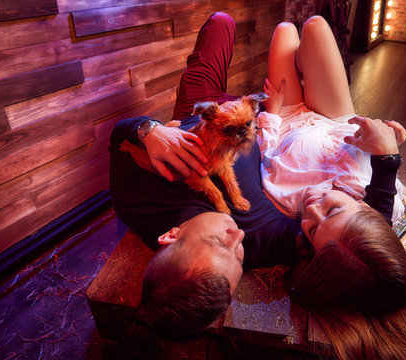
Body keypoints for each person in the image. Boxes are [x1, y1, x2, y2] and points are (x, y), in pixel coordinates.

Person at [260, 16, 406, 359]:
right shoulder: (380, 209)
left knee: (284, 30)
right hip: (335, 120)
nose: (312, 204)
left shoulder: (287, 201)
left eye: (310, 227)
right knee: (314, 27)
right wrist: (388, 141)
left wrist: (272, 113)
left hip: (293, 117)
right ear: (367, 209)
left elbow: (267, 155)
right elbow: (385, 179)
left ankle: (297, 70)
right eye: (333, 208)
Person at [108, 12, 302, 339]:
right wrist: (387, 159)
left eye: (218, 243)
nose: (237, 237)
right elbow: (344, 241)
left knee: (222, 21)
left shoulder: (132, 205)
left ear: (170, 236)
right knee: (292, 39)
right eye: (239, 260)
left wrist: (148, 131)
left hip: (195, 111)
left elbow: (117, 140)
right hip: (245, 115)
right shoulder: (258, 237)